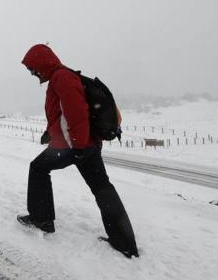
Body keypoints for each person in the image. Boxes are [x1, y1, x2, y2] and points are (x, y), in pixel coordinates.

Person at [17, 44, 139, 258]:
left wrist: (79, 146)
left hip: (72, 146)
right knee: (102, 187)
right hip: (84, 144)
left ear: (42, 63)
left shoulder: (61, 78)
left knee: (38, 168)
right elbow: (61, 113)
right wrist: (50, 132)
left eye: (32, 68)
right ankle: (124, 242)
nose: (32, 73)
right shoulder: (63, 76)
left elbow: (76, 113)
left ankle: (42, 219)